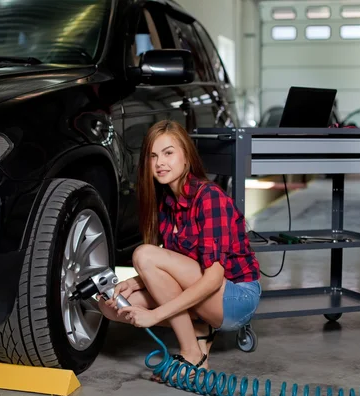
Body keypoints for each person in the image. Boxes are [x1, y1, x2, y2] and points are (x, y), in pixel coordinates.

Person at [98, 120, 261, 378]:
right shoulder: (167, 204)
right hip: (206, 291)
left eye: (168, 153)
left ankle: (191, 353)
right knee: (113, 307)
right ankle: (199, 331)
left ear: (186, 157)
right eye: (153, 156)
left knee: (143, 254)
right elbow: (177, 266)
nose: (160, 162)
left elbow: (213, 278)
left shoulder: (210, 198)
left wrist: (154, 316)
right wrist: (136, 282)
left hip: (236, 297)